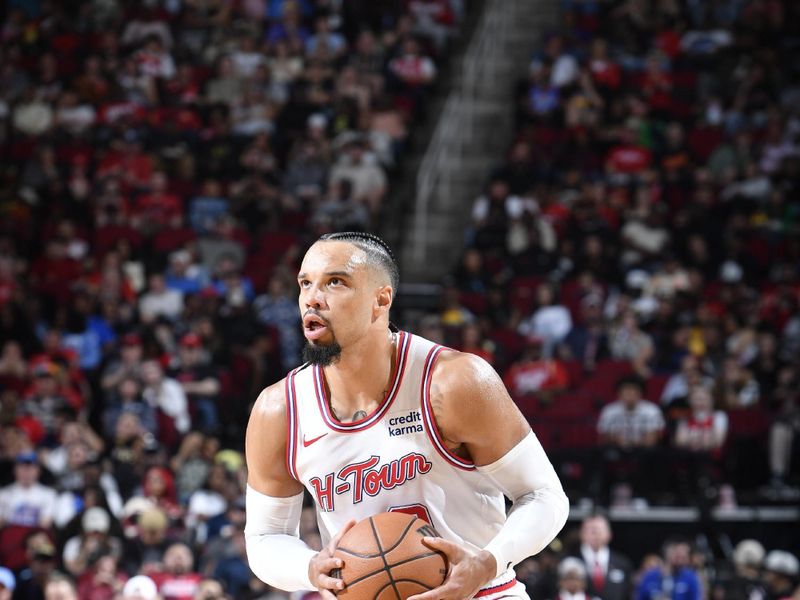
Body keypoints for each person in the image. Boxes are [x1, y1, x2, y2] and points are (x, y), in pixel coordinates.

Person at [244, 232, 569, 600]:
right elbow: (265, 536)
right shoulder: (280, 410)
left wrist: (488, 562)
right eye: (305, 283)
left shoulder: (453, 381)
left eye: (335, 282)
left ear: (380, 300)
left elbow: (543, 495)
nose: (312, 299)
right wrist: (308, 568)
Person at [571, 514, 632, 600]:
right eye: (591, 530)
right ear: (581, 534)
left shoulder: (623, 563)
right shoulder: (569, 562)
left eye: (599, 530)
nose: (595, 534)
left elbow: (628, 594)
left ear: (609, 534)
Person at [635, 538, 701, 600]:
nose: (680, 559)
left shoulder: (690, 578)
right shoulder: (650, 576)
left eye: (684, 556)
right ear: (668, 553)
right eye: (678, 555)